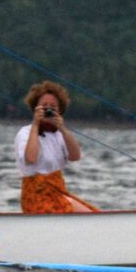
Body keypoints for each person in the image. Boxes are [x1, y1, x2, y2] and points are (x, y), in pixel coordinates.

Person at [15, 80, 98, 213]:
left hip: (58, 191)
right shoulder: (26, 132)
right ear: (35, 108)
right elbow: (30, 158)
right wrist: (36, 124)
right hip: (36, 194)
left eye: (52, 107)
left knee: (93, 214)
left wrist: (63, 129)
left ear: (59, 111)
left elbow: (75, 156)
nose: (48, 110)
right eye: (44, 106)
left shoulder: (60, 134)